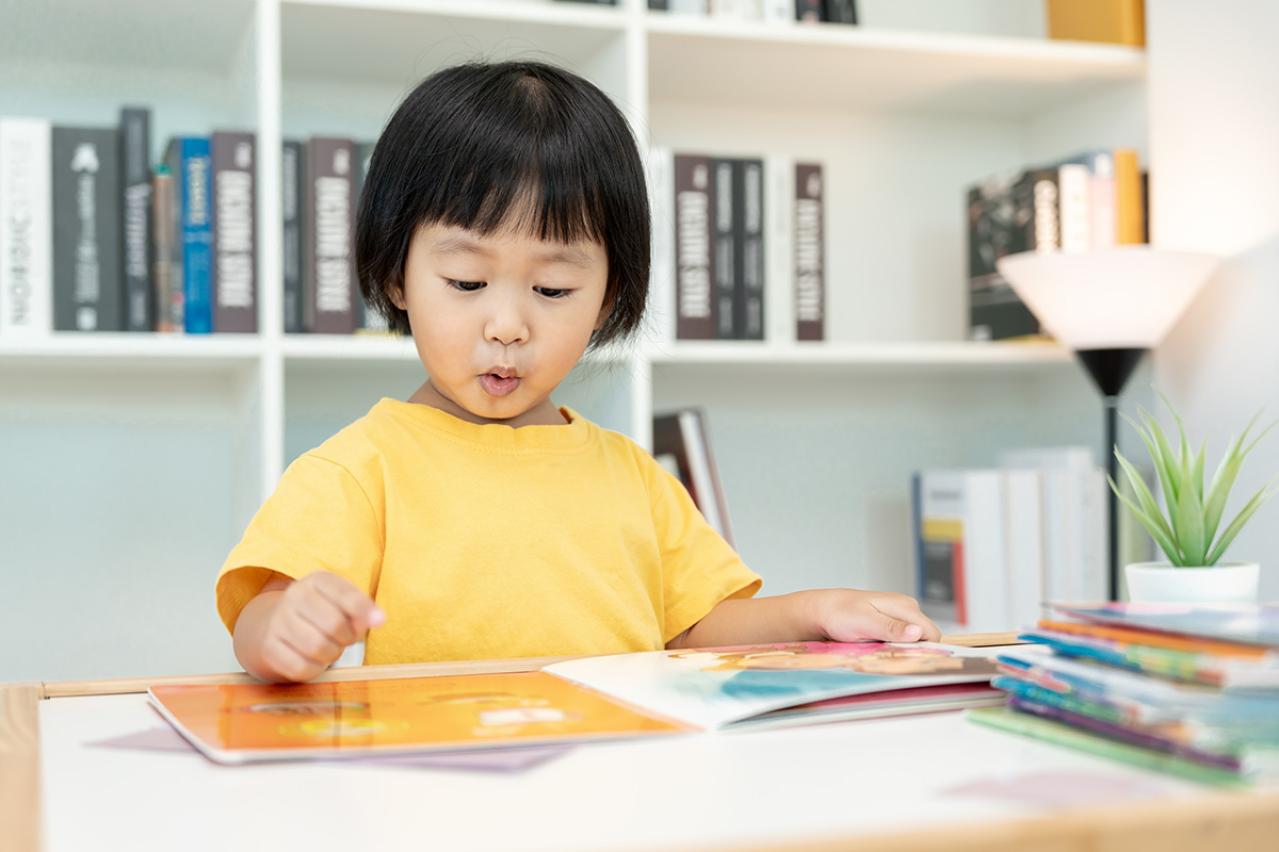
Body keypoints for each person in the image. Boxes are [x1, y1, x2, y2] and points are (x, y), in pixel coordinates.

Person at [216, 60, 940, 683]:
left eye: (553, 289)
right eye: (466, 282)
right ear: (394, 275)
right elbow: (258, 622)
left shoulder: (633, 476)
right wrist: (285, 629)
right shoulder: (360, 470)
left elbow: (695, 630)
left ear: (608, 298)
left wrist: (816, 611)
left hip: (620, 778)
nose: (507, 325)